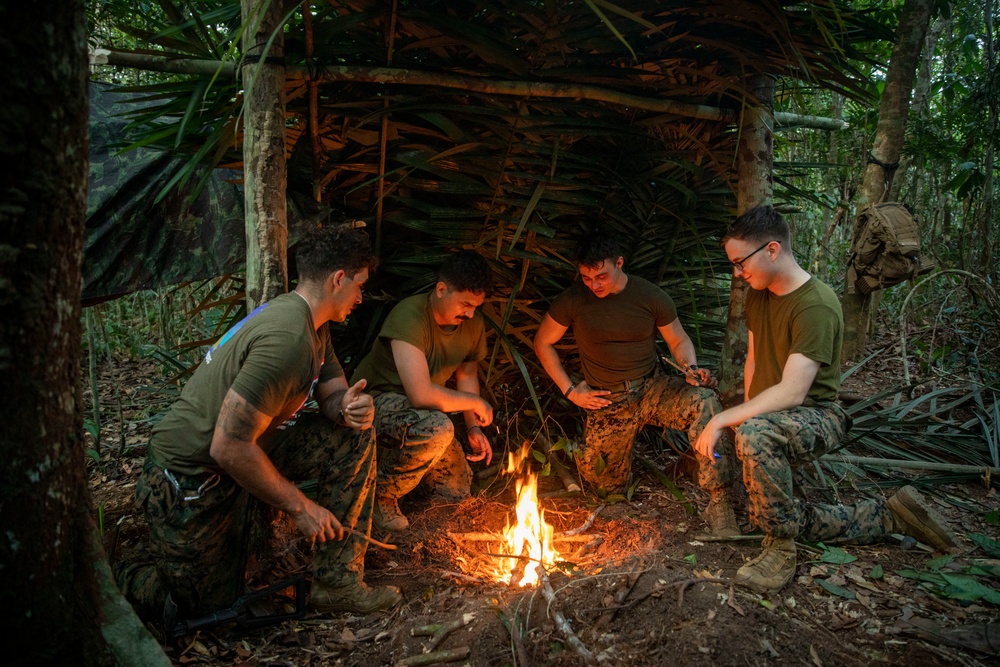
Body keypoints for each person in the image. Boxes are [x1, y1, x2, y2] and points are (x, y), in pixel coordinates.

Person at [118, 225, 401, 625]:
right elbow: (227, 446)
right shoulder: (288, 339)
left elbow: (333, 394)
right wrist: (301, 507)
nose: (360, 297)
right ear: (339, 279)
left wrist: (350, 407)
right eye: (359, 286)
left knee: (350, 438)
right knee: (204, 611)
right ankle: (119, 574)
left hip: (239, 452)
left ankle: (337, 583)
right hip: (188, 477)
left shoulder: (314, 325)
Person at [694, 205, 958, 594]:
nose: (737, 272)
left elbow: (793, 391)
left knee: (752, 437)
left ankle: (781, 549)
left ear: (771, 250)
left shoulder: (815, 304)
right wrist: (742, 416)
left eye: (740, 262)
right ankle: (887, 517)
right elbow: (753, 362)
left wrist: (732, 422)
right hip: (772, 418)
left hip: (816, 415)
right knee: (768, 500)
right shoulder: (758, 295)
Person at [533, 232, 739, 537]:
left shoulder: (650, 296)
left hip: (650, 389)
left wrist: (689, 367)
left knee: (704, 401)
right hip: (608, 398)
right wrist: (571, 390)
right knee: (603, 486)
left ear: (619, 263)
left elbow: (678, 339)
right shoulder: (573, 300)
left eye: (601, 275)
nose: (595, 284)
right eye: (587, 277)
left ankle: (719, 499)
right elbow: (542, 343)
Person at [351, 250, 494, 532]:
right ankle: (379, 494)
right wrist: (475, 402)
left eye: (476, 306)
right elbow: (419, 394)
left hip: (420, 412)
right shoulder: (410, 315)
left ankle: (422, 519)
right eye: (466, 303)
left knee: (454, 492)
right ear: (441, 289)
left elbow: (466, 375)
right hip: (372, 403)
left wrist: (473, 427)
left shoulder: (473, 325)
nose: (470, 313)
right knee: (438, 428)